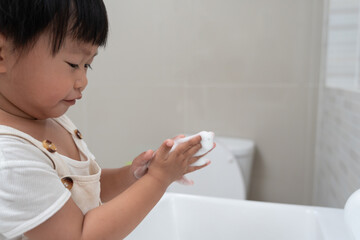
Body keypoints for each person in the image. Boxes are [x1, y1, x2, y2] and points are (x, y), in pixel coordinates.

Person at [0, 1, 213, 239]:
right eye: (73, 64)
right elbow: (81, 235)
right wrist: (159, 179)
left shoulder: (52, 119)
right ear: (2, 54)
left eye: (87, 65)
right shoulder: (9, 159)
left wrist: (134, 175)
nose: (83, 80)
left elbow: (87, 188)